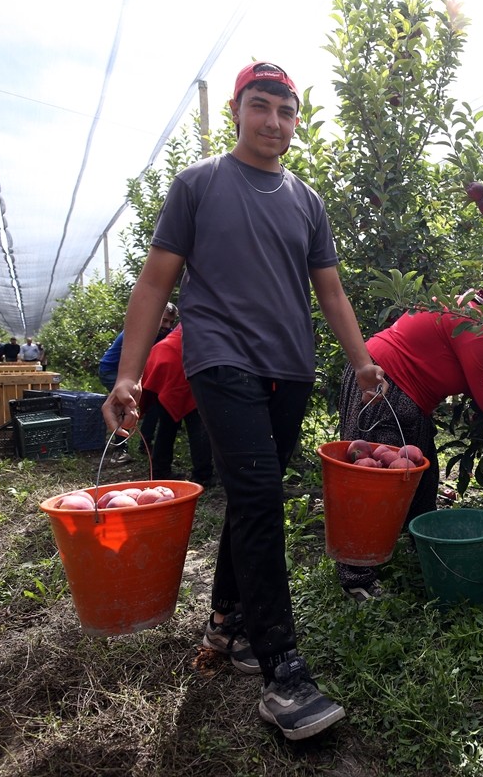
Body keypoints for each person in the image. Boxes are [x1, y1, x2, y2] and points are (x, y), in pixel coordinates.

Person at [101, 60, 384, 741]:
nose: (275, 123)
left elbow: (332, 292)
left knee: (255, 496)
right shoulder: (198, 185)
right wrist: (130, 375)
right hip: (221, 359)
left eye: (287, 112)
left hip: (291, 368)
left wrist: (363, 362)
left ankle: (227, 620)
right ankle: (283, 669)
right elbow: (154, 283)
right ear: (236, 110)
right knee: (258, 497)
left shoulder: (307, 201)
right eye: (262, 107)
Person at [335, 285, 483, 600]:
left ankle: (418, 550)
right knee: (374, 483)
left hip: (404, 390)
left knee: (420, 478)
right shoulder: (479, 326)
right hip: (384, 384)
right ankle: (356, 578)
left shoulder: (470, 311)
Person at [99, 303, 177, 464]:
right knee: (127, 405)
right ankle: (119, 451)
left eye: (171, 322)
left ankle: (145, 443)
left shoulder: (165, 334)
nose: (167, 326)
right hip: (113, 371)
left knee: (154, 405)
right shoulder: (139, 332)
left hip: (137, 374)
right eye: (163, 320)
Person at [140, 323, 214, 487]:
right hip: (177, 364)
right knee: (197, 424)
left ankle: (160, 472)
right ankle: (203, 475)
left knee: (167, 424)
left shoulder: (193, 314)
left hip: (161, 358)